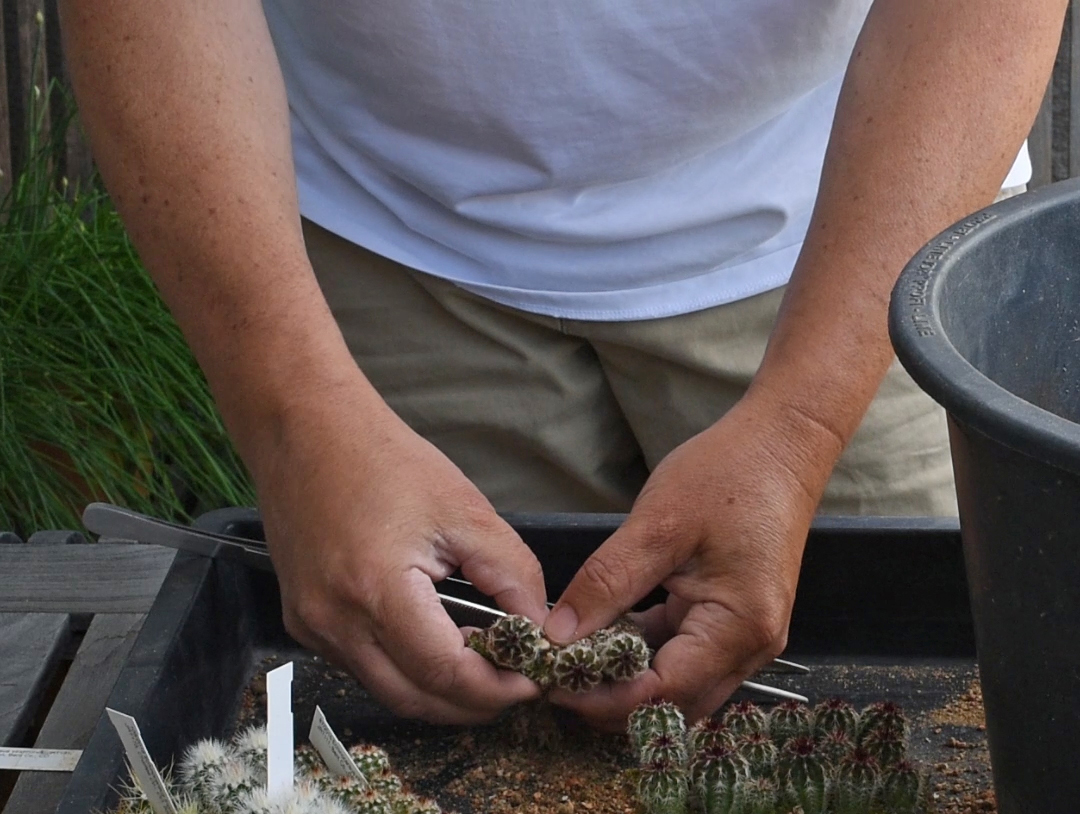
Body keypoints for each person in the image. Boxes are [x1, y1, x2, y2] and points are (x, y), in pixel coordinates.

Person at [59, 1, 1064, 730]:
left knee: (912, 723)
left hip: (859, 225)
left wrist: (799, 429)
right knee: (462, 732)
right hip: (389, 229)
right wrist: (297, 417)